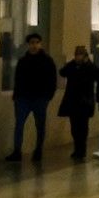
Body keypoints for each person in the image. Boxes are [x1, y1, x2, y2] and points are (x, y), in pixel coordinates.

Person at [8, 33, 57, 162]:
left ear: (40, 44)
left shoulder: (47, 61)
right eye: (31, 43)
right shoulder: (23, 61)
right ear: (28, 44)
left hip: (40, 98)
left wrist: (48, 95)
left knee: (40, 125)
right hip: (23, 97)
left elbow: (52, 79)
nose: (34, 45)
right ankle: (17, 151)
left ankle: (38, 150)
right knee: (19, 124)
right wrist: (16, 95)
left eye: (36, 42)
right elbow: (18, 78)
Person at [57, 46, 97, 162]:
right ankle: (77, 148)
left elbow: (95, 73)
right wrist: (72, 63)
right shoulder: (72, 66)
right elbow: (62, 72)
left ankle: (82, 149)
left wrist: (86, 63)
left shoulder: (89, 67)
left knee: (83, 127)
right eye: (76, 55)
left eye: (80, 55)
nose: (77, 57)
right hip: (73, 101)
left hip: (84, 101)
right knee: (74, 127)